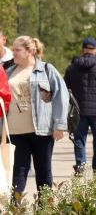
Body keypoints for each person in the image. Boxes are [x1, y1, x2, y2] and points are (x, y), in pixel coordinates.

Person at [6, 36, 68, 196]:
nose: (13, 53)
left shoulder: (47, 70)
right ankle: (15, 209)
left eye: (17, 50)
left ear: (30, 51)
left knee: (43, 172)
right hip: (14, 132)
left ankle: (44, 208)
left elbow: (61, 96)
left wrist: (59, 125)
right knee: (17, 173)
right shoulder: (9, 71)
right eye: (12, 49)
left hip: (41, 131)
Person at [64, 37, 96, 174]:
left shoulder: (72, 68)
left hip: (78, 110)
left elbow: (65, 90)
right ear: (95, 50)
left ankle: (80, 165)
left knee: (79, 139)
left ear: (83, 49)